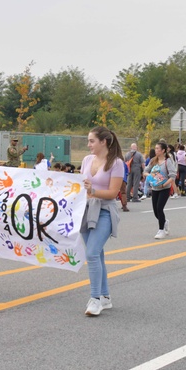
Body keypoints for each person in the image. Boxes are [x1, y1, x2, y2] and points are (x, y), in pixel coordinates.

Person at [81, 126, 124, 317]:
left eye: (92, 141)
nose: (88, 144)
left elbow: (113, 193)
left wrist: (93, 191)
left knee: (91, 253)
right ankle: (105, 297)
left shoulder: (116, 163)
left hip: (105, 211)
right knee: (97, 255)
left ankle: (95, 299)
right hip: (85, 211)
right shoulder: (86, 160)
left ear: (103, 142)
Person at [146, 141, 177, 239]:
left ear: (163, 150)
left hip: (164, 188)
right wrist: (151, 176)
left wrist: (164, 184)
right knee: (155, 211)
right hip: (155, 188)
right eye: (155, 148)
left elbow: (173, 176)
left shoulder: (168, 161)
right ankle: (164, 222)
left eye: (157, 148)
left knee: (159, 208)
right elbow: (145, 171)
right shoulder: (153, 160)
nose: (156, 150)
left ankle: (161, 230)